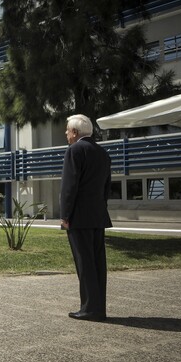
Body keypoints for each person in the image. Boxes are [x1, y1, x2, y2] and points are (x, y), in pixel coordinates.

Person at [60, 114, 112, 322]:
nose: (65, 134)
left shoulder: (74, 150)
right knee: (98, 263)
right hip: (98, 215)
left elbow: (69, 187)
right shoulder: (102, 153)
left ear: (75, 132)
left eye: (67, 130)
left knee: (85, 263)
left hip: (79, 217)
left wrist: (65, 215)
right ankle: (98, 307)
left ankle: (90, 308)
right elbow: (106, 187)